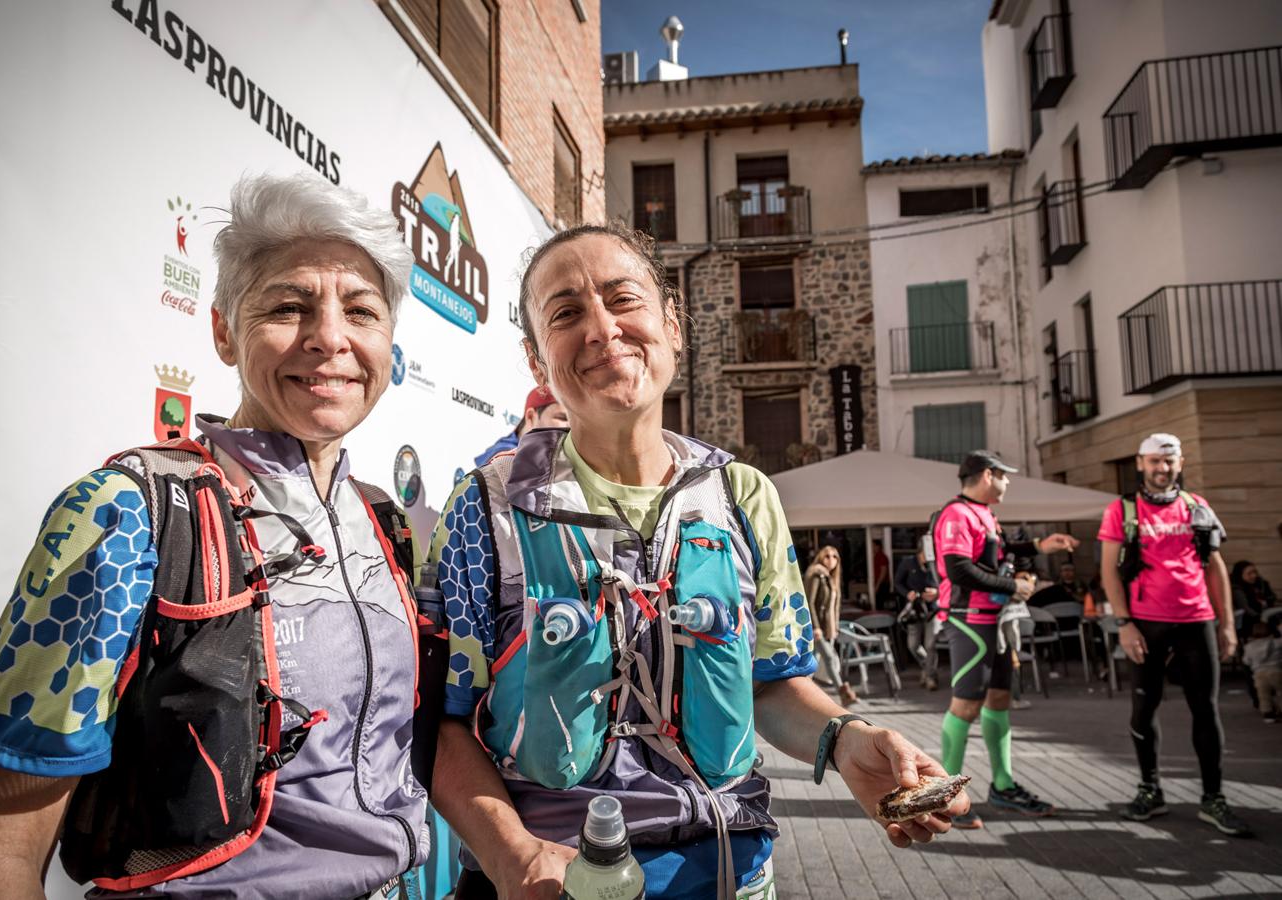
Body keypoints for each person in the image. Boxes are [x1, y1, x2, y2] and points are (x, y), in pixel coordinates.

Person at [429, 222, 967, 900]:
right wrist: (513, 858)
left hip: (727, 873)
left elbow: (772, 683)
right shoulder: (485, 508)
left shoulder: (743, 496)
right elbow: (445, 720)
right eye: (566, 313)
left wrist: (846, 739)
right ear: (537, 361)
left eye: (623, 299)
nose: (601, 328)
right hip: (551, 883)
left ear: (672, 325)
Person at [0, 173, 431, 897]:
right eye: (289, 306)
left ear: (389, 342)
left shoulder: (388, 522)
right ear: (224, 332)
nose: (330, 339)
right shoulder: (125, 512)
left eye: (362, 311)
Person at [1099, 433, 1250, 836]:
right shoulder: (1123, 510)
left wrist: (1227, 624)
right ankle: (1150, 790)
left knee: (1207, 709)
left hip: (1196, 621)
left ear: (1179, 463)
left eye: (1169, 462)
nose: (1161, 469)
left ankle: (1213, 799)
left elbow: (1215, 567)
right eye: (1154, 462)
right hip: (1145, 624)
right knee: (1143, 710)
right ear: (1140, 463)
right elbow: (1109, 571)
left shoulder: (1197, 507)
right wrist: (1124, 623)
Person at [933, 450, 1079, 828]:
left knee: (999, 700)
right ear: (986, 475)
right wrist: (1013, 585)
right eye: (1003, 475)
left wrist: (1039, 546)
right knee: (965, 705)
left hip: (993, 620)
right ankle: (943, 798)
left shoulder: (984, 514)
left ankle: (1003, 786)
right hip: (969, 619)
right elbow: (959, 569)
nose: (1008, 481)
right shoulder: (957, 514)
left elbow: (998, 552)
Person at [805, 546, 858, 705]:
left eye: (835, 556)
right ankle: (843, 692)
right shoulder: (817, 574)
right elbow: (810, 602)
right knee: (828, 657)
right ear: (821, 557)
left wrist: (833, 627)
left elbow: (832, 606)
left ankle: (804, 695)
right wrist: (815, 626)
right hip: (816, 628)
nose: (831, 559)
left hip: (826, 628)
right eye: (827, 556)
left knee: (813, 660)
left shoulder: (829, 577)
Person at [473, 385, 571, 466]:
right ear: (531, 416)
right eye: (562, 418)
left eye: (574, 422)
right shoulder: (506, 459)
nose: (570, 428)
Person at [895, 542, 940, 690]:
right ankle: (927, 667)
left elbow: (947, 583)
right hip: (915, 610)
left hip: (933, 610)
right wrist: (908, 593)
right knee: (913, 645)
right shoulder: (908, 562)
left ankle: (930, 677)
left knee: (930, 645)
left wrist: (937, 593)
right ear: (920, 552)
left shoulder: (937, 563)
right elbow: (898, 583)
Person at [1243, 619, 1282, 724]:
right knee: (1280, 692)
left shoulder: (1249, 646)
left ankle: (1268, 714)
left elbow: (1246, 661)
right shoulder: (1276, 643)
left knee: (1263, 696)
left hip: (1259, 674)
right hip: (1276, 671)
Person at [1231, 559, 1277, 638]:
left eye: (1254, 572)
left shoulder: (1260, 583)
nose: (1253, 575)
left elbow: (1272, 597)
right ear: (1240, 575)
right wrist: (1260, 618)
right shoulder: (1237, 589)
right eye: (1249, 573)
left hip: (1265, 614)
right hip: (1250, 621)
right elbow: (1245, 608)